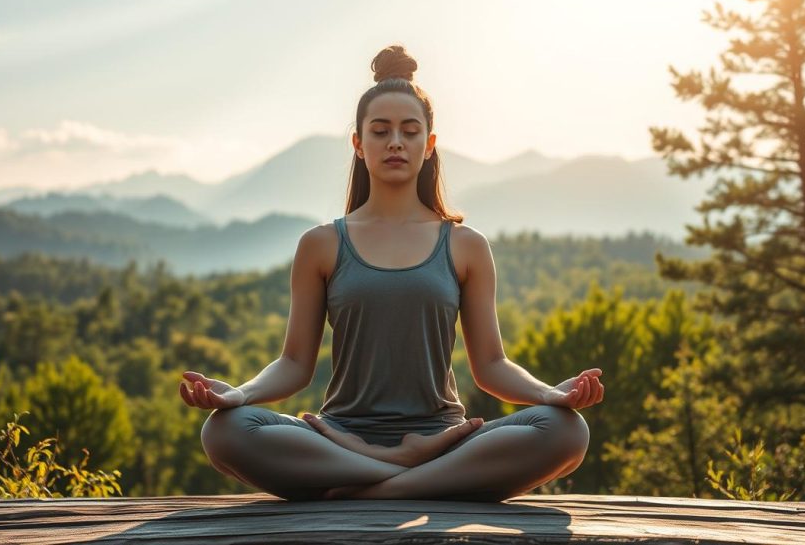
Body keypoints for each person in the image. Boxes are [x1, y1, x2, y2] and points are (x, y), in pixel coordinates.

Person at [179, 45, 604, 502]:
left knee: (565, 431)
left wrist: (549, 396)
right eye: (380, 131)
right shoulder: (322, 244)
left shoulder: (466, 246)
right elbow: (294, 365)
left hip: (443, 437)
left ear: (429, 144)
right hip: (341, 435)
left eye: (409, 130)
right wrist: (240, 396)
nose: (396, 142)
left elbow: (492, 367)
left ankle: (367, 486)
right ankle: (406, 472)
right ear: (359, 145)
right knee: (225, 431)